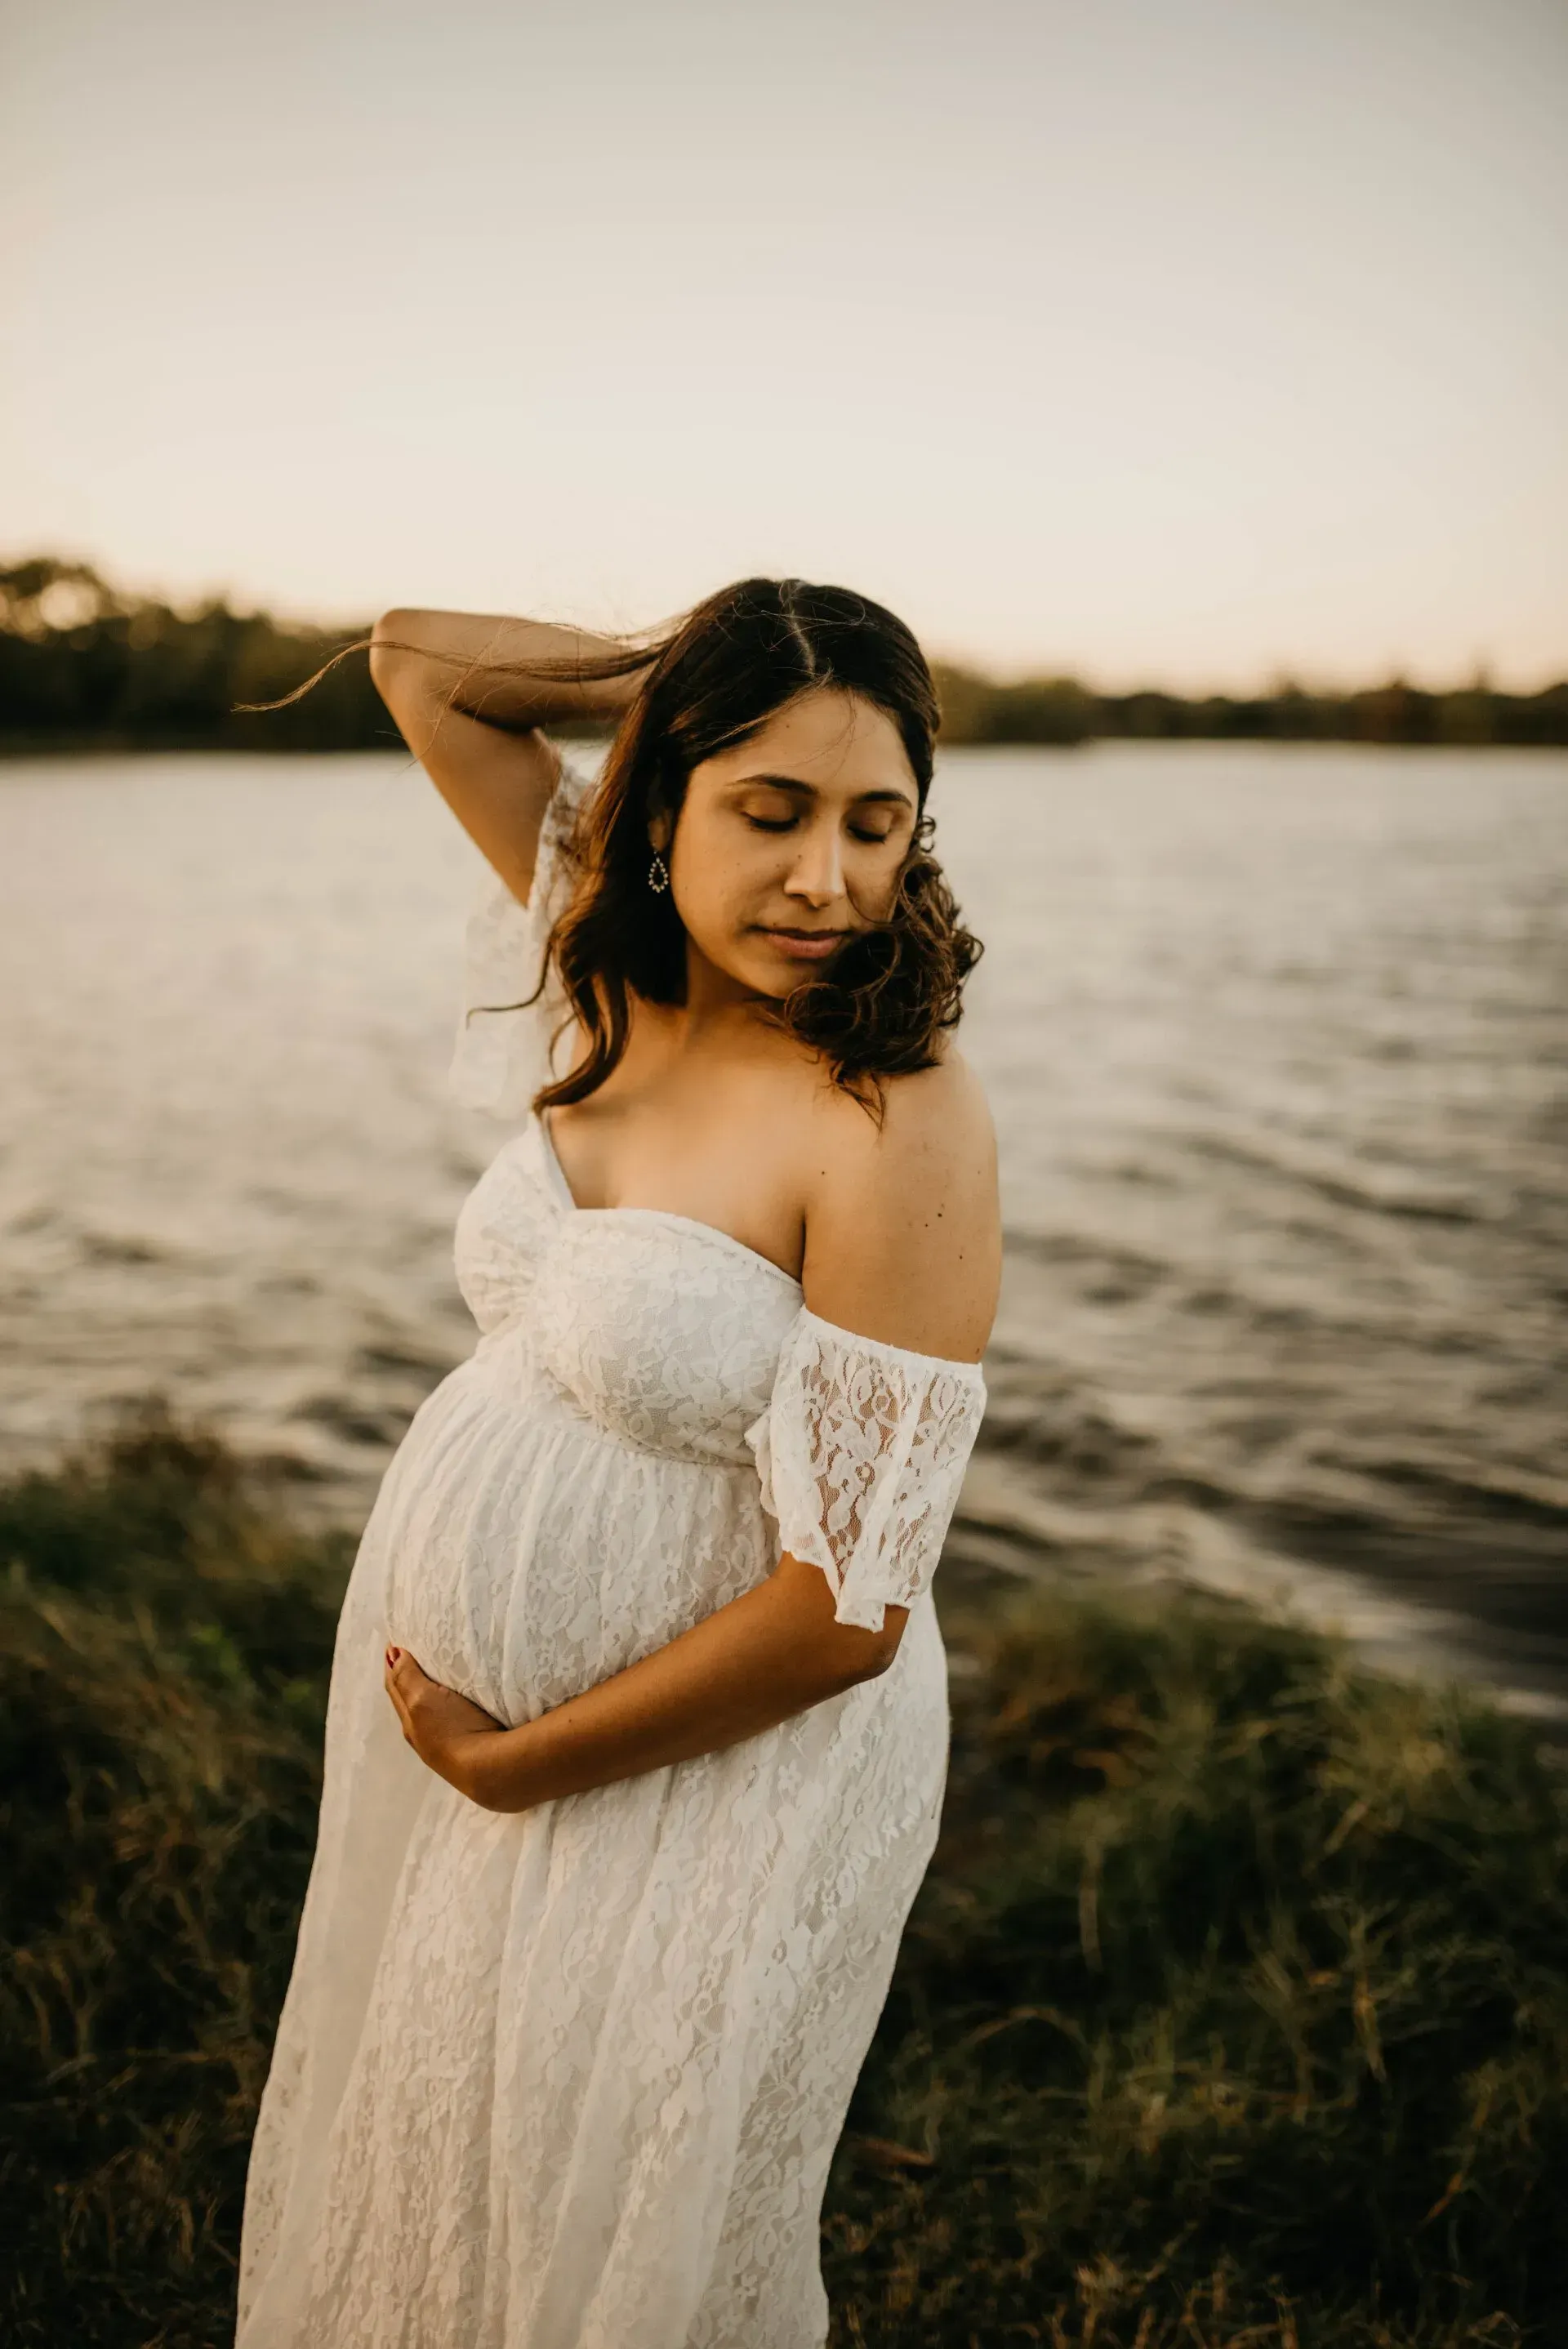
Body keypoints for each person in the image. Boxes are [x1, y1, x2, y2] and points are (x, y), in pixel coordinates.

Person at [236, 577, 1001, 2348]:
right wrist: (711, 673)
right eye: (770, 807)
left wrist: (519, 1766)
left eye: (876, 821)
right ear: (659, 806)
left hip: (726, 1763)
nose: (828, 879)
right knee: (444, 2144)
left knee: (618, 2220)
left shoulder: (896, 1109)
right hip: (496, 1745)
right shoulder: (605, 939)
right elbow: (419, 662)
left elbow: (850, 1608)